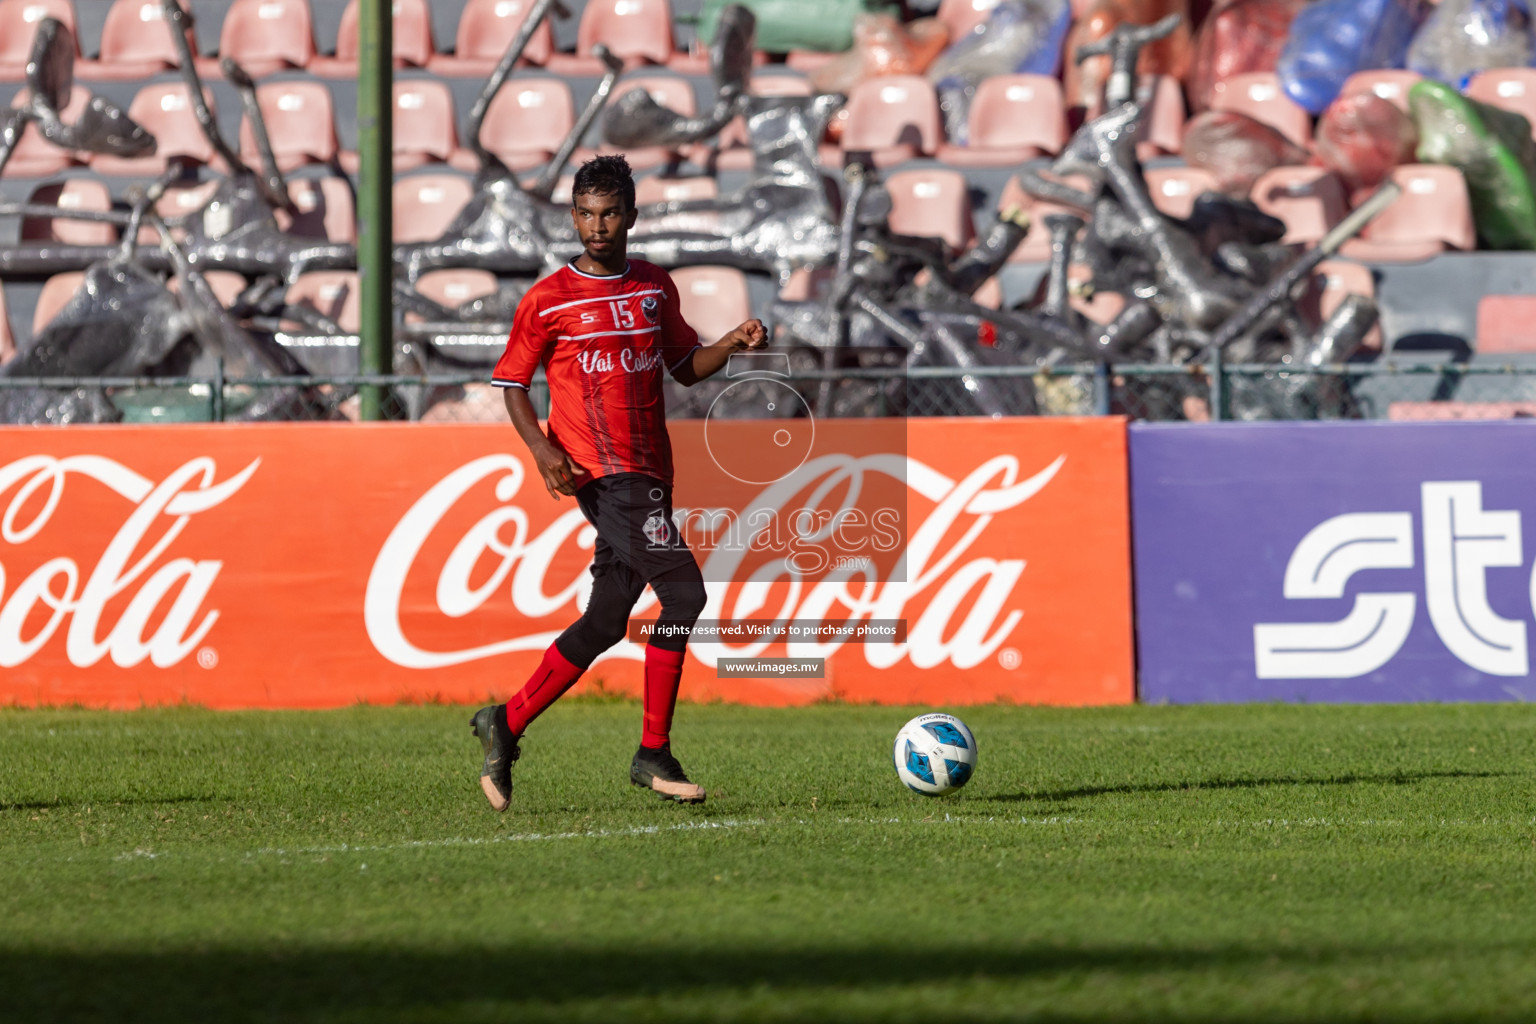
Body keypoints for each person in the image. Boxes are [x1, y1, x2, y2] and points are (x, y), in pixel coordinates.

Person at [472, 155, 768, 811]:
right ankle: (652, 752)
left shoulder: (655, 287)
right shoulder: (548, 299)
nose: (596, 226)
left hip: (652, 470)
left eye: (608, 214)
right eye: (585, 213)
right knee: (685, 594)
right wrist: (542, 450)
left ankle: (506, 721)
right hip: (599, 475)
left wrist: (732, 342)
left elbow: (686, 368)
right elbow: (513, 385)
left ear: (630, 216)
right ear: (572, 216)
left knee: (607, 618)